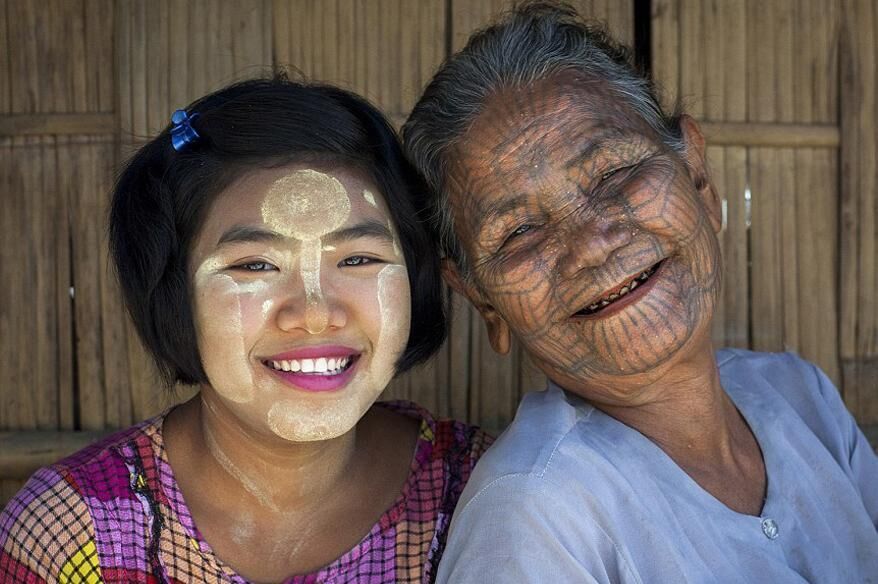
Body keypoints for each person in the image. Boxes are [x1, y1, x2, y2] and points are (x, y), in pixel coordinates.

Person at [402, 3, 878, 582]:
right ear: (483, 302)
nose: (592, 245)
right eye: (520, 232)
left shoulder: (800, 396)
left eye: (614, 173)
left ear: (699, 180)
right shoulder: (535, 520)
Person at [0, 75, 491, 583]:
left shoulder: (486, 498)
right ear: (176, 295)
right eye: (255, 266)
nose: (317, 312)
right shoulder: (74, 533)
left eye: (359, 258)